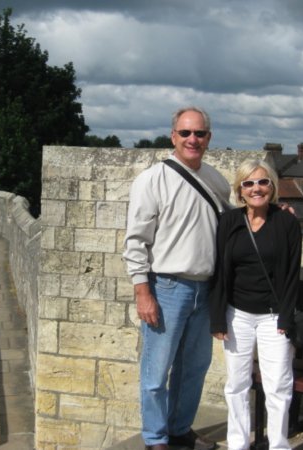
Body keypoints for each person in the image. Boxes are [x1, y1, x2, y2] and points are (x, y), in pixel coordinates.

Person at [123, 106, 231, 450]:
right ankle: (155, 438)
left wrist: (277, 212)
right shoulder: (152, 180)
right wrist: (143, 292)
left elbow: (236, 223)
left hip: (205, 289)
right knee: (156, 375)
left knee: (194, 369)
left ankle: (180, 429)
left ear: (209, 138)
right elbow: (136, 240)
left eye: (199, 133)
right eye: (185, 133)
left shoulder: (215, 180)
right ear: (173, 137)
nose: (192, 139)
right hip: (167, 287)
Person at [210, 158, 302, 450]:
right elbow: (220, 272)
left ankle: (278, 444)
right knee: (236, 384)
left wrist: (286, 319)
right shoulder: (228, 222)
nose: (256, 188)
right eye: (248, 183)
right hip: (237, 315)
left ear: (272, 186)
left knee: (277, 386)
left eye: (263, 181)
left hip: (273, 318)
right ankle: (238, 443)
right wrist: (218, 318)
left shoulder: (286, 222)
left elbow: (291, 274)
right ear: (240, 191)